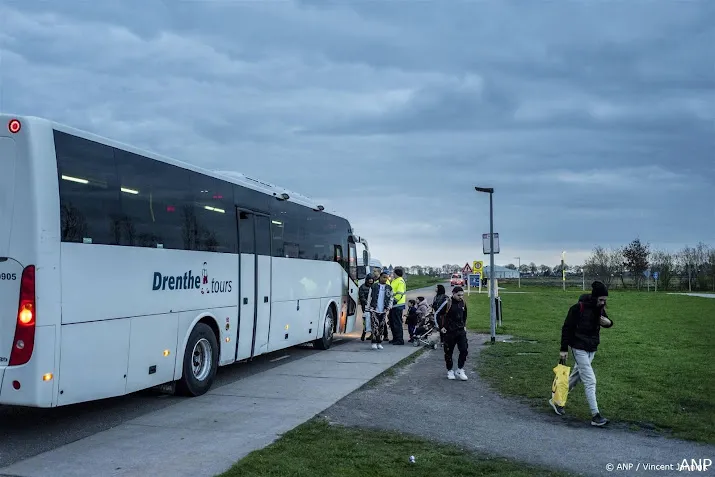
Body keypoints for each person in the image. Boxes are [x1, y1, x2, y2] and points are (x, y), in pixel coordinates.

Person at [550, 280, 613, 427]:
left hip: (592, 348)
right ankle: (595, 415)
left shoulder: (600, 309)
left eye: (605, 300)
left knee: (577, 376)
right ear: (595, 297)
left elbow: (608, 322)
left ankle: (556, 400)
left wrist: (608, 323)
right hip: (578, 347)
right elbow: (566, 328)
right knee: (590, 380)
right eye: (601, 300)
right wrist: (564, 349)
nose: (603, 303)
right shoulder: (578, 308)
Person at [441, 286, 469, 381]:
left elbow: (464, 315)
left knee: (464, 350)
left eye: (462, 295)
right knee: (449, 352)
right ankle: (450, 370)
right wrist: (442, 327)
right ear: (453, 294)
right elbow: (438, 314)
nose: (460, 297)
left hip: (461, 331)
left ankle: (460, 369)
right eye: (458, 295)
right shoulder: (447, 303)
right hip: (449, 332)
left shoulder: (463, 302)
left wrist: (464, 325)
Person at [365, 272, 394, 350]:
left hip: (383, 310)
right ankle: (374, 342)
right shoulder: (374, 286)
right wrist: (368, 308)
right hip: (374, 310)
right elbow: (369, 297)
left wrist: (389, 307)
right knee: (374, 326)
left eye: (387, 278)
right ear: (380, 277)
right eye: (384, 277)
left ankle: (379, 342)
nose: (385, 279)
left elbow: (391, 298)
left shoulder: (389, 287)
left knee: (381, 327)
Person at [388, 267, 407, 345]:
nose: (392, 274)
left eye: (393, 273)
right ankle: (395, 338)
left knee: (397, 323)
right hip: (393, 305)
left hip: (397, 305)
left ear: (396, 273)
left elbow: (400, 293)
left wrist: (394, 301)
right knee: (392, 323)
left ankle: (399, 339)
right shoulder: (395, 281)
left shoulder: (400, 281)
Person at [358, 276, 374, 341]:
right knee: (366, 320)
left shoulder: (374, 286)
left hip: (373, 306)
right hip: (365, 306)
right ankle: (364, 334)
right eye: (369, 279)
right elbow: (361, 296)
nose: (371, 281)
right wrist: (367, 303)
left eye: (372, 279)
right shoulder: (362, 287)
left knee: (373, 321)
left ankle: (372, 334)